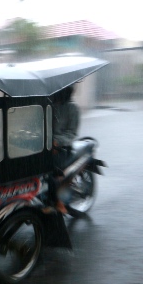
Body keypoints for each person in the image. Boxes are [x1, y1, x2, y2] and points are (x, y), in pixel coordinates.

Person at [50, 85, 80, 214]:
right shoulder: (48, 106)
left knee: (55, 171)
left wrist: (57, 142)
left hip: (63, 147)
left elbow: (71, 134)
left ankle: (60, 203)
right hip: (45, 145)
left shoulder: (72, 108)